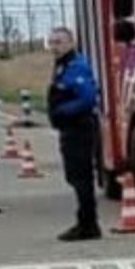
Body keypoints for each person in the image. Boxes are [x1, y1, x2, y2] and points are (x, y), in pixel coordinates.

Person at [46, 27, 102, 241]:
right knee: (74, 176)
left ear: (71, 43)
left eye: (59, 42)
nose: (55, 47)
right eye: (51, 43)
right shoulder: (63, 66)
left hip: (79, 127)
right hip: (69, 129)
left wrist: (63, 111)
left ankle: (88, 224)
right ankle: (86, 222)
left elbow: (87, 98)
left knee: (81, 177)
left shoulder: (76, 66)